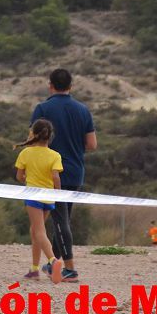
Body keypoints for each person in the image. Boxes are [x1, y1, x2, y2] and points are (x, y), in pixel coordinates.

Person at [30, 68, 97, 284]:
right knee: (63, 218)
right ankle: (55, 263)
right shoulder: (83, 110)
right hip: (76, 171)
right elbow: (92, 145)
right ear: (71, 86)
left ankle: (70, 269)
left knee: (60, 221)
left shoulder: (42, 108)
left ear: (50, 85)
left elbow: (32, 141)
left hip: (49, 173)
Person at [14, 119, 64, 283]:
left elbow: (19, 176)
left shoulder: (26, 153)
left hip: (33, 197)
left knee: (39, 232)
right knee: (35, 231)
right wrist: (58, 193)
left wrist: (27, 179)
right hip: (49, 198)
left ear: (34, 135)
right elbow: (56, 177)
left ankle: (53, 261)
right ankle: (34, 269)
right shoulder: (55, 155)